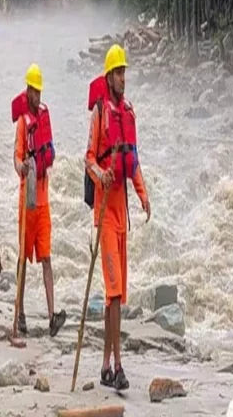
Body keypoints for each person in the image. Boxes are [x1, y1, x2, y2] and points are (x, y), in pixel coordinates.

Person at [84, 44, 151, 391]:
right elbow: (89, 158)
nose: (123, 77)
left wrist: (142, 194)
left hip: (122, 212)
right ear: (108, 77)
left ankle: (106, 365)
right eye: (118, 72)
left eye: (125, 72)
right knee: (111, 293)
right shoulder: (100, 114)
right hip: (105, 213)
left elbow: (133, 160)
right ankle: (118, 366)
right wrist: (100, 175)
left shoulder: (128, 113)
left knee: (118, 295)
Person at [12, 63, 67, 337]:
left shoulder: (44, 117)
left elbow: (50, 149)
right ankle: (19, 312)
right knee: (23, 258)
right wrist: (21, 166)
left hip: (44, 201)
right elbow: (16, 155)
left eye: (39, 90)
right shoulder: (23, 123)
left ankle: (51, 316)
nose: (37, 95)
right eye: (34, 90)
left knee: (47, 258)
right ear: (28, 90)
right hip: (28, 201)